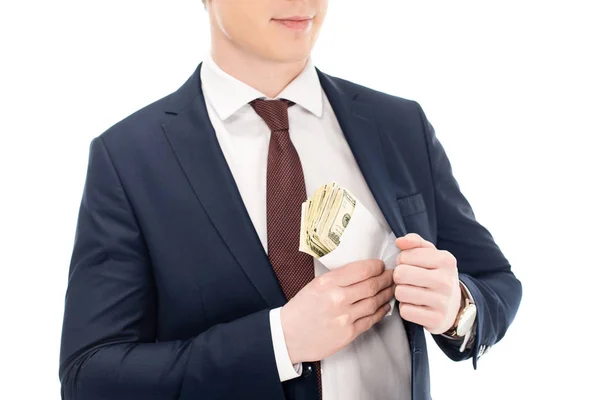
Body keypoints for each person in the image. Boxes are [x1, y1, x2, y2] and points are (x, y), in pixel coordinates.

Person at [58, 1, 522, 399]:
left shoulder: (398, 125)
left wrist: (458, 307)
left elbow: (496, 281)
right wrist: (278, 342)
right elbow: (91, 375)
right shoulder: (129, 158)